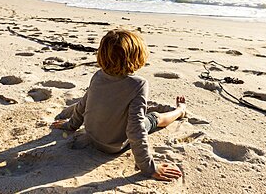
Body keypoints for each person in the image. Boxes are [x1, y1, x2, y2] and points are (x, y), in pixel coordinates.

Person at [52, 29, 185, 181]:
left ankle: (175, 110)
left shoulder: (98, 75)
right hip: (114, 146)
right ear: (137, 57)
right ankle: (180, 111)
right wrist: (148, 168)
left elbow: (83, 104)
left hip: (91, 136)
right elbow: (136, 129)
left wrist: (71, 125)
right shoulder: (139, 84)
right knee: (155, 118)